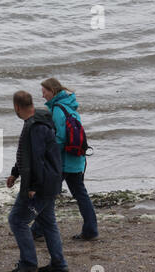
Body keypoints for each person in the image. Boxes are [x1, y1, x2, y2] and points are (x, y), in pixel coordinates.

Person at [4, 90, 68, 272]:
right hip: (50, 181)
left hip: (41, 184)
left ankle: (29, 263)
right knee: (48, 222)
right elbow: (27, 154)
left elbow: (37, 159)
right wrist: (15, 173)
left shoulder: (36, 126)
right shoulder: (36, 121)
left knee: (17, 220)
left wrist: (33, 187)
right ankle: (59, 263)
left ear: (17, 107)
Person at [31, 78, 99, 241]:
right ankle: (91, 230)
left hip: (63, 161)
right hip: (75, 158)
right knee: (79, 194)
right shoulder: (69, 106)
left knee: (46, 193)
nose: (42, 95)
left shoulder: (58, 110)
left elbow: (60, 138)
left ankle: (37, 230)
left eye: (44, 91)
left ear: (52, 91)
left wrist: (47, 153)